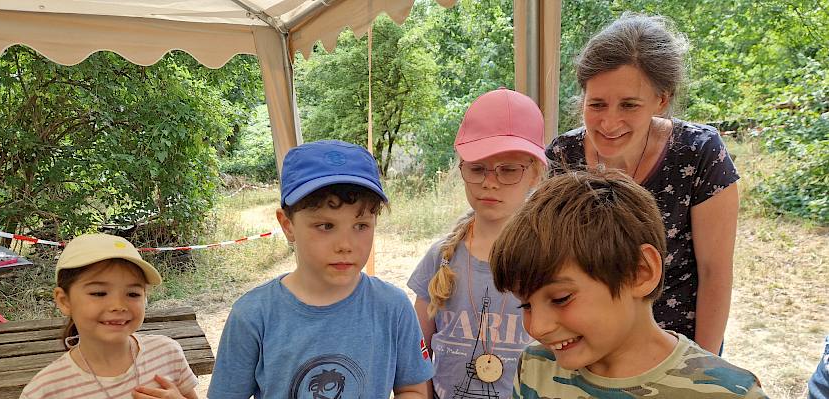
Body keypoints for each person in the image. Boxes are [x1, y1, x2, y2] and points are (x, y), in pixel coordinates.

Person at [546, 13, 739, 354]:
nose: (609, 121)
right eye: (597, 104)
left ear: (661, 100)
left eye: (629, 105)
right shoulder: (563, 156)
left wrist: (703, 367)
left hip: (675, 344)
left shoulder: (699, 154)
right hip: (588, 344)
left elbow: (715, 274)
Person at [489, 169, 765, 398]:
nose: (538, 327)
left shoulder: (731, 393)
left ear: (640, 272)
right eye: (525, 304)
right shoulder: (535, 367)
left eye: (561, 298)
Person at [208, 140, 433, 399]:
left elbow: (413, 390)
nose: (346, 245)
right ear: (287, 224)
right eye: (326, 226)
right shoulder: (252, 316)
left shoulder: (393, 307)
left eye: (361, 225)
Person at [407, 88, 546, 398]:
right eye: (477, 168)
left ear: (535, 174)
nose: (490, 181)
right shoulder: (441, 258)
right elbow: (417, 351)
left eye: (509, 169)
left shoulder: (550, 259)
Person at [21, 234, 198, 399]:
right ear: (64, 301)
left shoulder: (167, 353)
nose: (118, 306)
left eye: (133, 294)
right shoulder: (45, 390)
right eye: (99, 293)